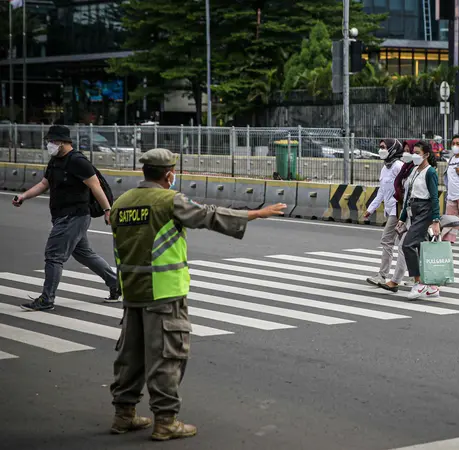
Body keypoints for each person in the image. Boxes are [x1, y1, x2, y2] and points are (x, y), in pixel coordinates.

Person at [108, 148, 287, 441]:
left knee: (131, 356)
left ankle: (123, 415)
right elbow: (208, 216)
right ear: (169, 174)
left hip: (132, 291)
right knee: (167, 357)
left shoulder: (122, 202)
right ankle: (165, 421)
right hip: (164, 293)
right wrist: (255, 213)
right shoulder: (169, 200)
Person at [12, 124, 119, 311]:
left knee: (53, 256)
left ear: (63, 142)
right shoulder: (55, 161)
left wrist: (108, 210)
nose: (49, 145)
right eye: (48, 141)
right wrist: (24, 196)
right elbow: (45, 183)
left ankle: (47, 300)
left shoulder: (77, 161)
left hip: (74, 216)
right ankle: (116, 284)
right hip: (61, 215)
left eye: (52, 141)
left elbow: (96, 187)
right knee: (85, 255)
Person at [396, 141, 441, 300]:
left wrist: (436, 220)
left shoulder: (430, 172)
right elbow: (408, 195)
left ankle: (419, 282)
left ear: (426, 155)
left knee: (408, 244)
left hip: (425, 211)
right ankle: (433, 286)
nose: (414, 155)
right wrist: (402, 217)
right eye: (413, 152)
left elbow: (435, 197)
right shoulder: (414, 170)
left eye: (417, 153)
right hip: (413, 210)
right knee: (422, 248)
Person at [364, 139, 408, 290]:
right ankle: (416, 276)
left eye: (384, 147)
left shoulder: (398, 166)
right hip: (391, 210)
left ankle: (384, 276)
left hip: (399, 210)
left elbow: (405, 189)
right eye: (380, 147)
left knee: (388, 241)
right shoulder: (385, 167)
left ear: (393, 149)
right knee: (404, 245)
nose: (380, 150)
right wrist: (371, 208)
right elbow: (381, 191)